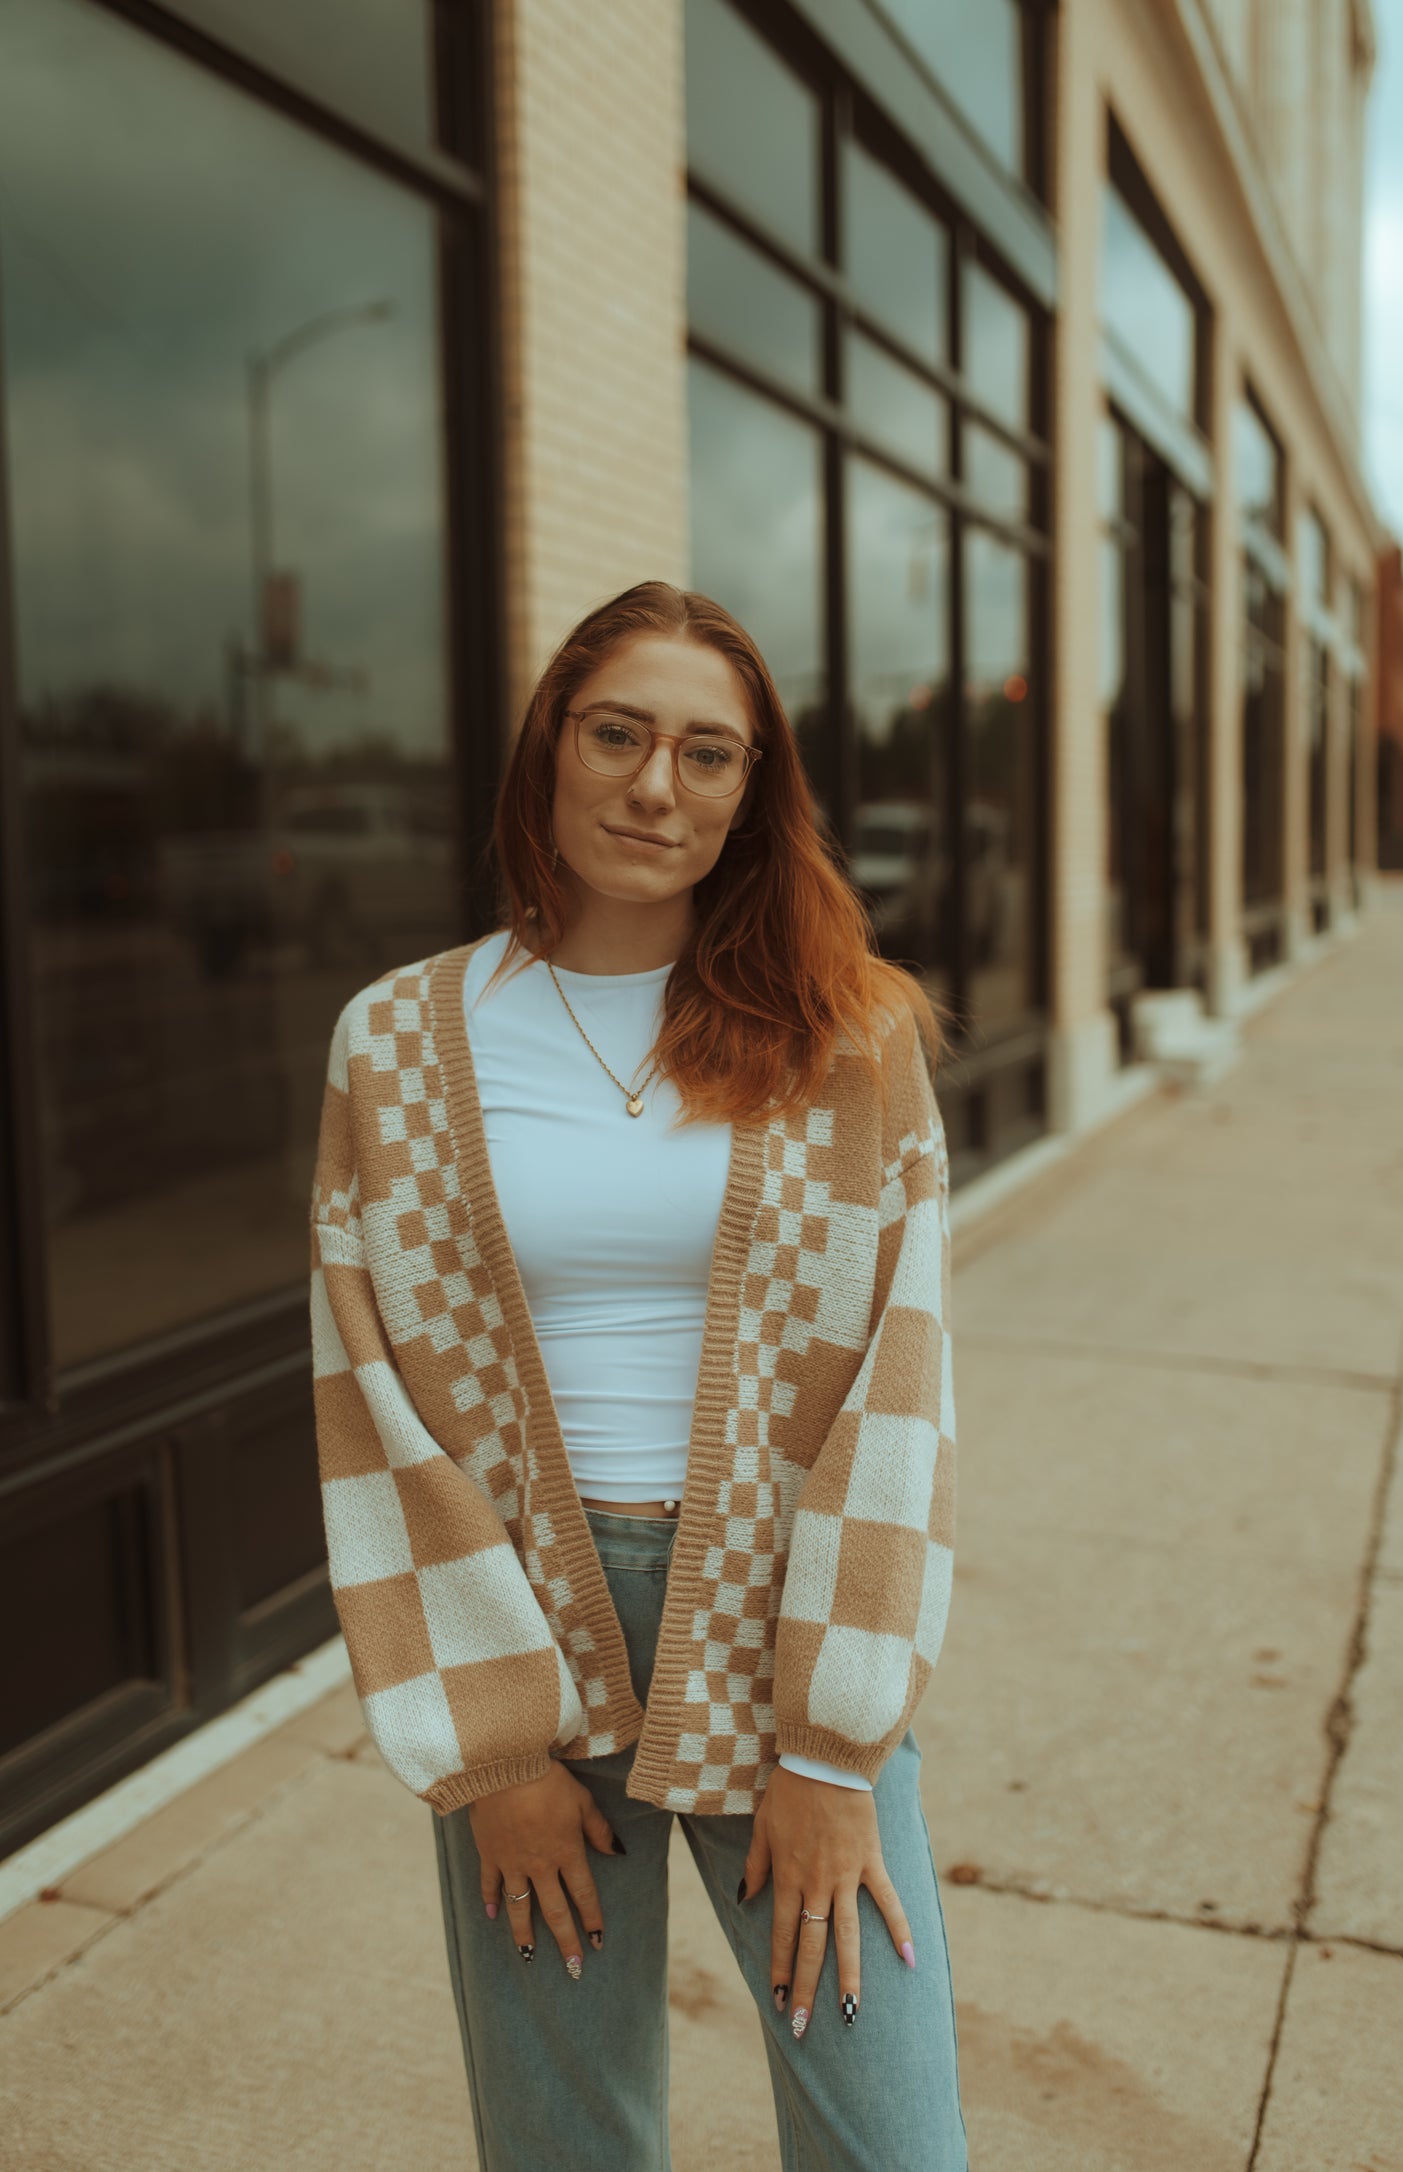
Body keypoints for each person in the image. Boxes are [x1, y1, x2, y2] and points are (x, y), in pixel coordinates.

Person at [307, 580, 969, 2171]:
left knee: (890, 2136)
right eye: (617, 735)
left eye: (706, 754)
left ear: (754, 795)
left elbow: (902, 1382)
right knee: (565, 2139)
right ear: (551, 747)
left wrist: (827, 1747)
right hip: (521, 1615)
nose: (654, 788)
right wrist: (492, 1750)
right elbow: (366, 1391)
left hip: (780, 1613)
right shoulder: (398, 1041)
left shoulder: (842, 1036)